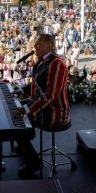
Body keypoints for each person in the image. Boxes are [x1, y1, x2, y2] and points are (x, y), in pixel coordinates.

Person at [14, 34, 71, 178]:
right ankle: (23, 144)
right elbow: (36, 82)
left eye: (39, 44)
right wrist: (22, 90)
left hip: (54, 112)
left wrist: (27, 110)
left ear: (49, 46)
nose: (35, 47)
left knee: (18, 121)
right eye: (35, 44)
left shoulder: (57, 64)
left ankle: (33, 163)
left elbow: (51, 96)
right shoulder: (41, 61)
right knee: (13, 111)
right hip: (40, 104)